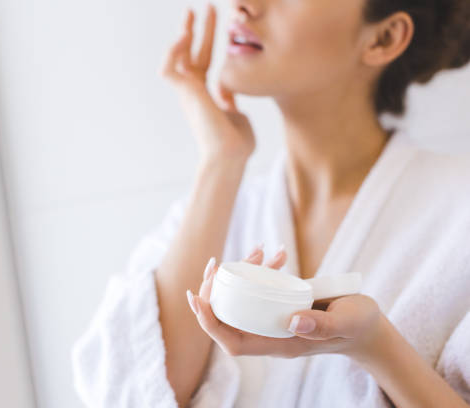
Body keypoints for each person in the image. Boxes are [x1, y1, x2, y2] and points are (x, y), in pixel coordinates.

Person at [71, 0, 470, 406]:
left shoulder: (460, 214)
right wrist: (221, 160)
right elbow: (127, 393)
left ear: (383, 38)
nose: (243, 5)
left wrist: (377, 348)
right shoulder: (218, 211)